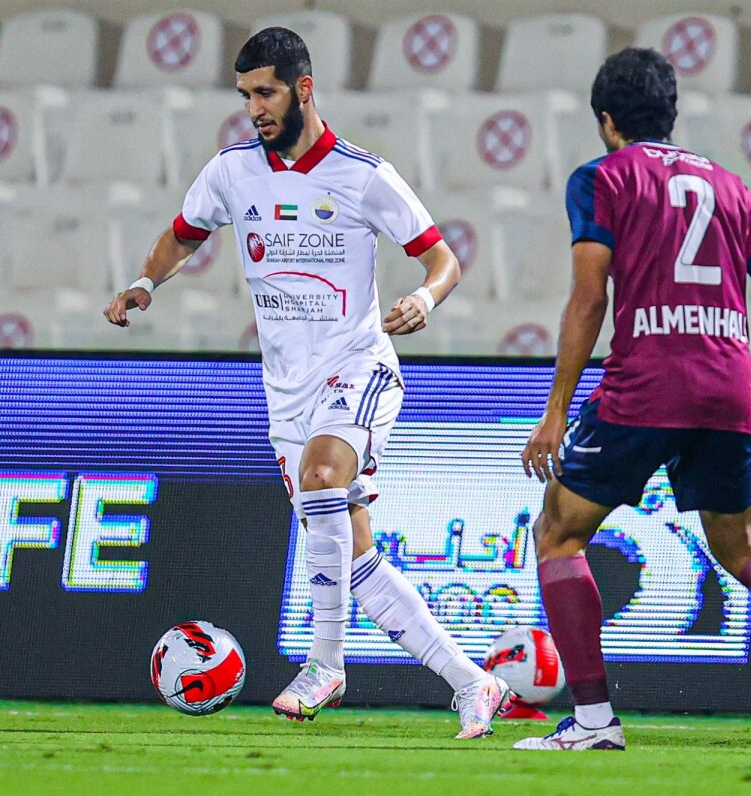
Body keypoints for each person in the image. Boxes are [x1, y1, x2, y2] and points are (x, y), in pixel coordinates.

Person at [104, 27, 509, 738]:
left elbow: (442, 259)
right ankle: (474, 683)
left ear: (304, 89)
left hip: (358, 365)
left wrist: (425, 298)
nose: (254, 108)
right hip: (286, 392)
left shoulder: (363, 175)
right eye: (245, 95)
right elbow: (183, 235)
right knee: (354, 556)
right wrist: (146, 282)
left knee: (323, 477)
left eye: (265, 93)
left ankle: (325, 664)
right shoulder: (232, 171)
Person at [514, 48, 751, 756]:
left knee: (559, 532)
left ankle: (594, 720)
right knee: (741, 544)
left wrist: (556, 410)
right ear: (671, 113)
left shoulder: (602, 178)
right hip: (728, 389)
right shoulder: (732, 187)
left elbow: (590, 297)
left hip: (644, 386)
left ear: (607, 121)